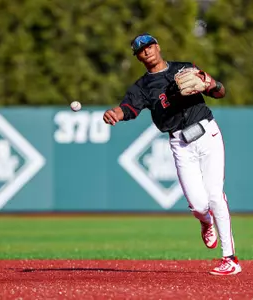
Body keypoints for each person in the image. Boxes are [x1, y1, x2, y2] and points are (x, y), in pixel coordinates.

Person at [103, 33, 241, 276]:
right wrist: (116, 112)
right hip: (180, 143)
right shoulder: (142, 87)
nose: (146, 51)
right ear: (138, 57)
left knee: (215, 196)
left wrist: (211, 84)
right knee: (199, 205)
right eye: (140, 50)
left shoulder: (185, 68)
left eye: (149, 46)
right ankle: (205, 221)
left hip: (208, 133)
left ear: (157, 46)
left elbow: (220, 91)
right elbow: (128, 108)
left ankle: (230, 258)